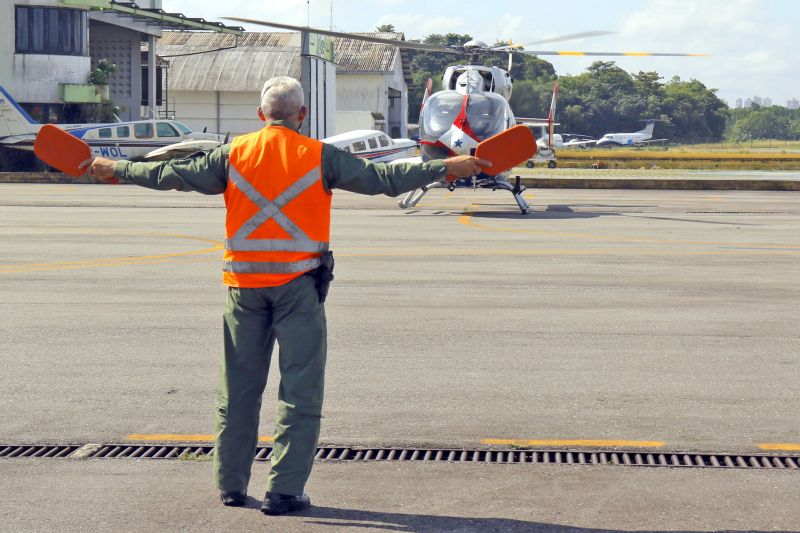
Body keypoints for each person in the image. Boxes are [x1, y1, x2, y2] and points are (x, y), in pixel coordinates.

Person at [82, 76, 489, 516]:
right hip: (298, 288)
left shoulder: (233, 154)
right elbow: (383, 179)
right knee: (300, 391)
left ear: (261, 115)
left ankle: (231, 486)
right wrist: (446, 167)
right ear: (303, 115)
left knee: (238, 391)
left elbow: (169, 174)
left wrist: (115, 169)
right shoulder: (320, 156)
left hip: (243, 290)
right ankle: (284, 491)